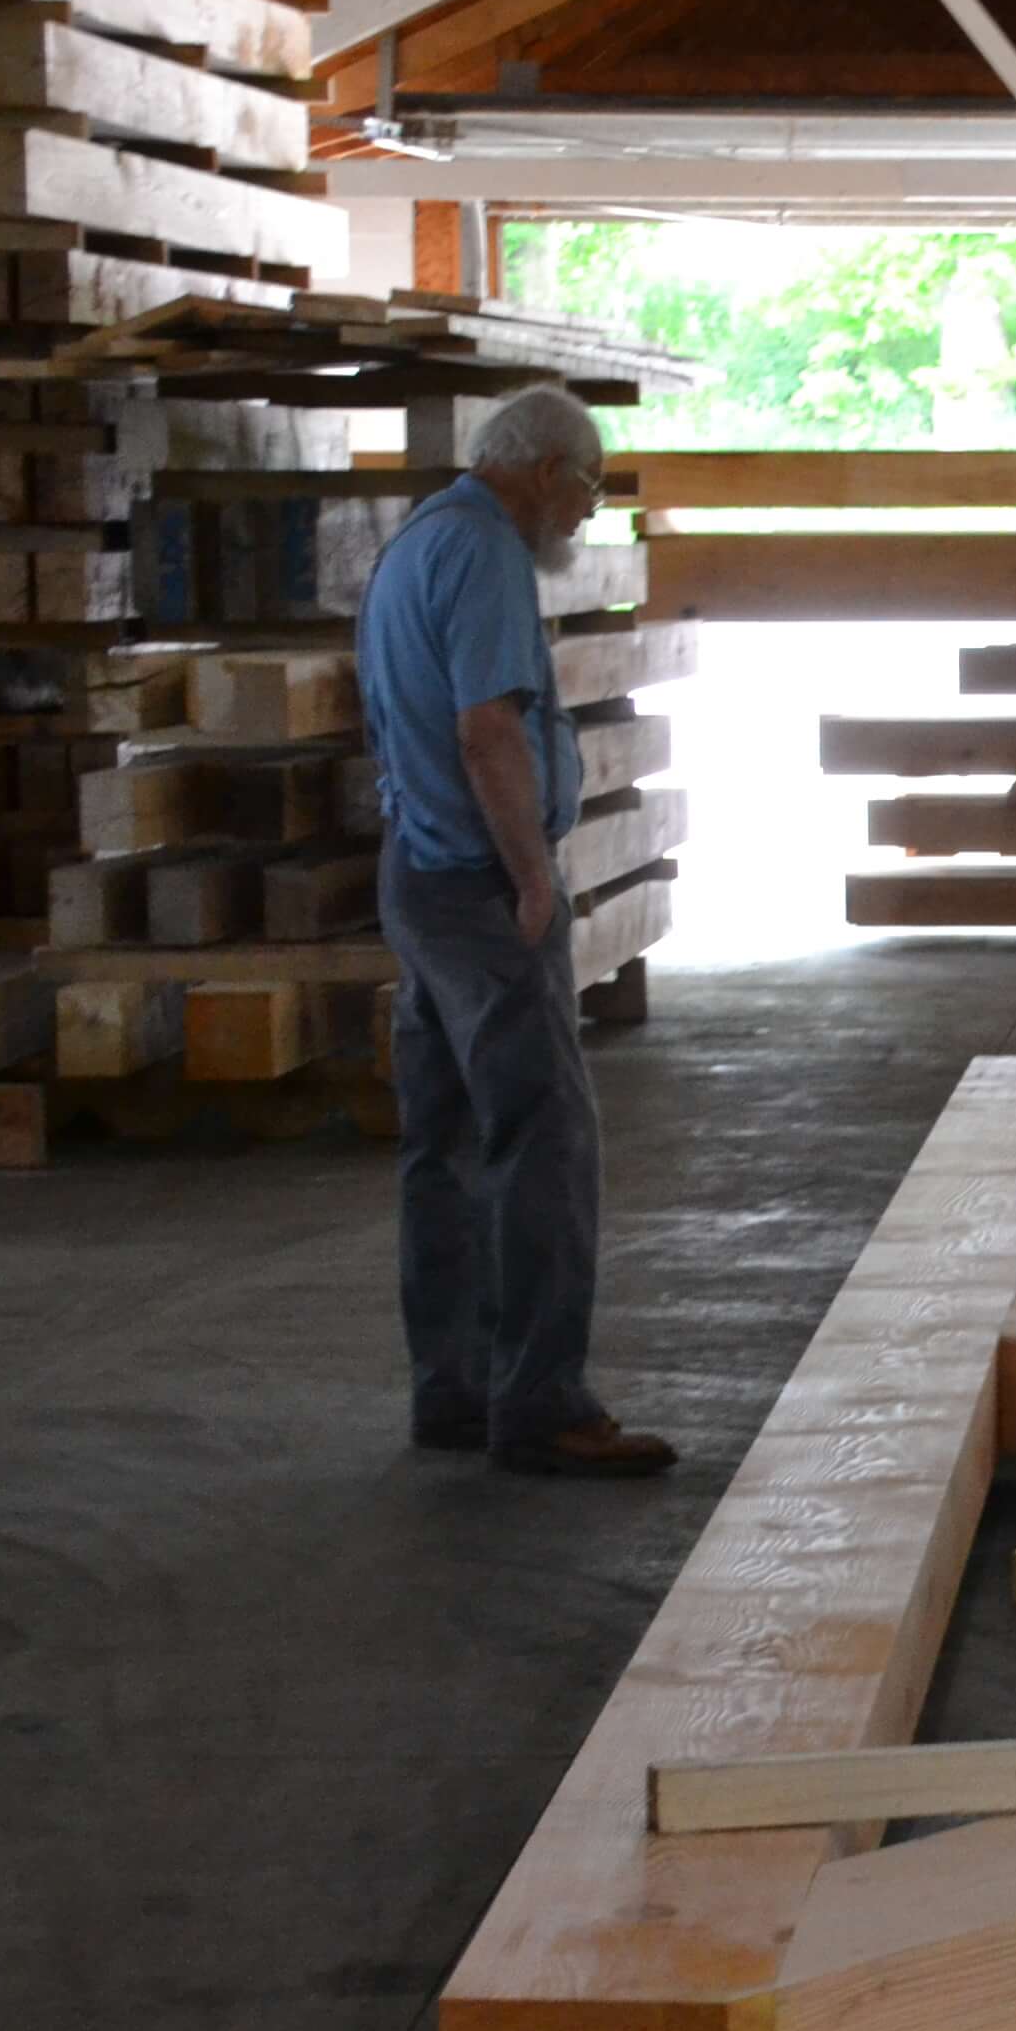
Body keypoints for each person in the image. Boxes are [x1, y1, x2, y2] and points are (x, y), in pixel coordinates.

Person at [357, 384, 678, 1477]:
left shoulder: (416, 545)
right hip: (482, 893)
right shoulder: (488, 552)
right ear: (542, 469)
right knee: (545, 1139)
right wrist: (534, 878)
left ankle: (455, 1389)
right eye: (586, 491)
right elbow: (489, 729)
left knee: (442, 1145)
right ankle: (540, 1401)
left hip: (420, 876)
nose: (583, 517)